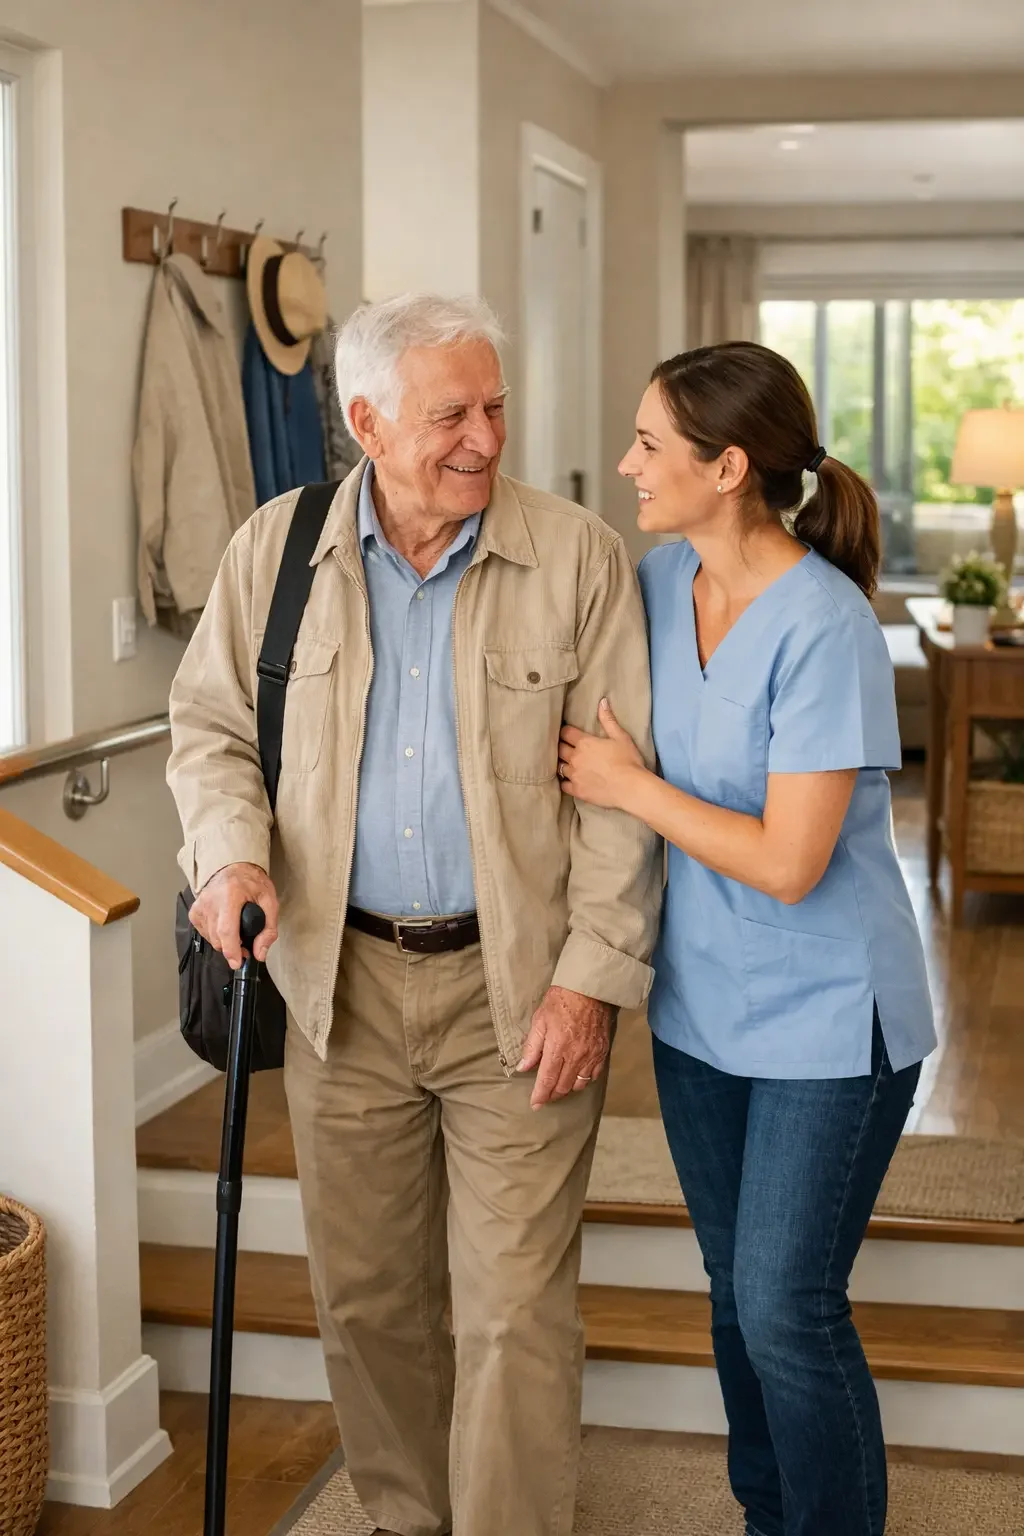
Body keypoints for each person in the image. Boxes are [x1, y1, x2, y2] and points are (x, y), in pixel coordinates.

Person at [166, 293, 661, 1536]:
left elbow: (625, 795)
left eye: (495, 407)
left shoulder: (576, 558)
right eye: (452, 414)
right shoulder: (275, 556)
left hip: (522, 988)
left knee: (511, 1315)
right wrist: (228, 860)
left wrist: (591, 978)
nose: (485, 439)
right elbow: (212, 732)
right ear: (366, 420)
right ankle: (404, 1516)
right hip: (337, 985)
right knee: (370, 1303)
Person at [558, 340, 935, 1536]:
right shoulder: (656, 586)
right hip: (699, 1011)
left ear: (726, 469)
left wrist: (629, 788)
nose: (625, 466)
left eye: (649, 446)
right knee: (733, 1297)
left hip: (832, 1018)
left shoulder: (825, 626)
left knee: (785, 1303)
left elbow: (790, 860)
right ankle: (767, 1514)